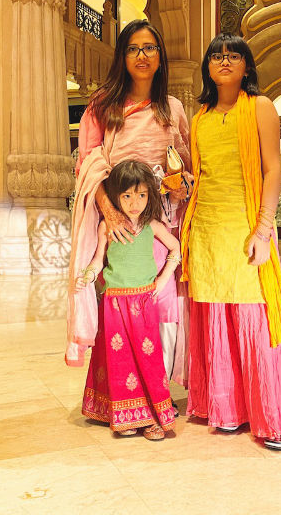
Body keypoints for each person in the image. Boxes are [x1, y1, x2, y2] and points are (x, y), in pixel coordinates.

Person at [180, 33, 281, 450]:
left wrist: (263, 229)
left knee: (256, 321)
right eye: (216, 56)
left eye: (233, 56)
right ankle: (229, 410)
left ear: (247, 67)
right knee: (215, 317)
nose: (224, 62)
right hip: (205, 228)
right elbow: (202, 174)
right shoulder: (199, 117)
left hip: (245, 227)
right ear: (207, 67)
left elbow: (273, 169)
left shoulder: (259, 107)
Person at [67, 20, 190, 392]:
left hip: (161, 219)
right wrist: (109, 211)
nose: (142, 55)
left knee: (162, 301)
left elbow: (185, 164)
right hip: (119, 220)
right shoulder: (103, 106)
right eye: (133, 48)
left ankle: (156, 386)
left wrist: (180, 184)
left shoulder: (173, 108)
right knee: (121, 300)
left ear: (160, 56)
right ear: (122, 56)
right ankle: (121, 388)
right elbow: (89, 164)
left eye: (149, 47)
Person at [76, 160, 180, 440]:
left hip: (144, 303)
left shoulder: (152, 226)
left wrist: (162, 279)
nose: (135, 203)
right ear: (115, 196)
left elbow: (175, 248)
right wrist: (87, 276)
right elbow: (98, 260)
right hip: (114, 304)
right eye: (127, 196)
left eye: (142, 195)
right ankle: (125, 415)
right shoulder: (107, 228)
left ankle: (154, 416)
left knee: (148, 359)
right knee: (120, 360)